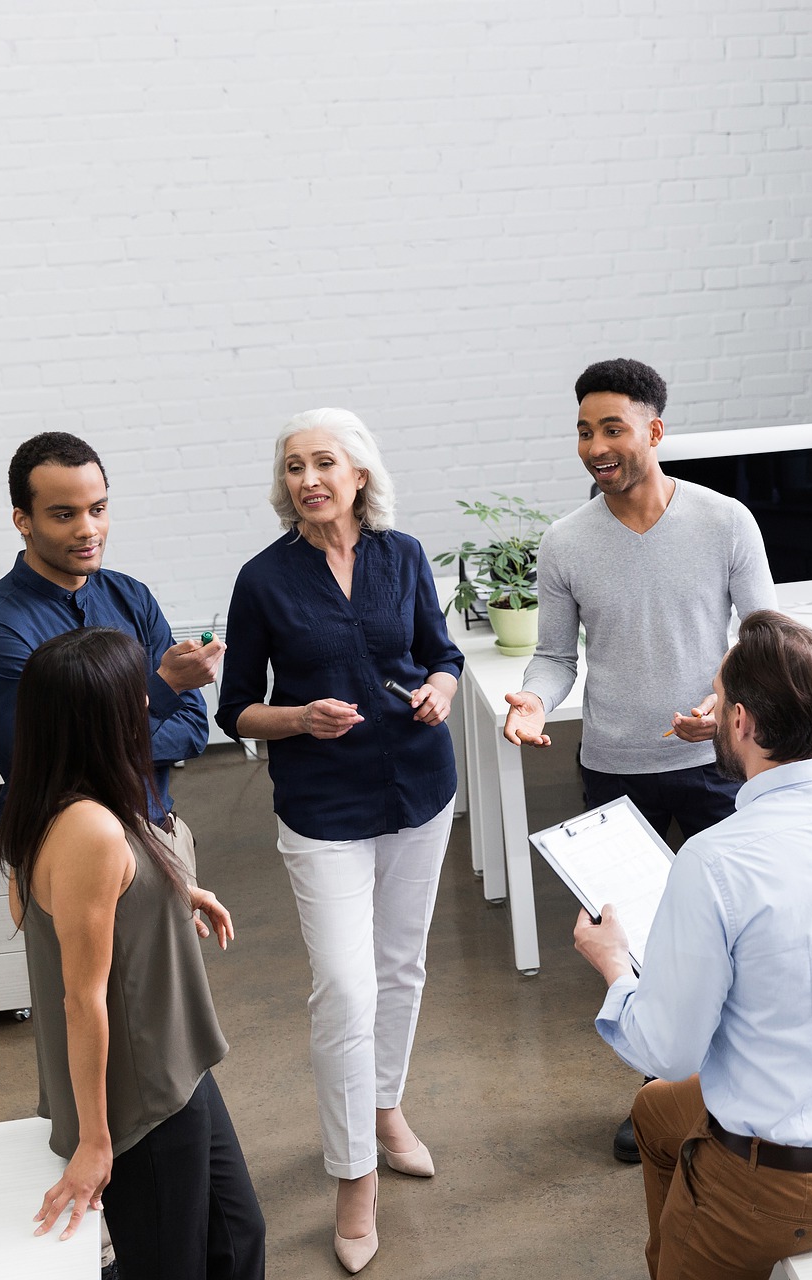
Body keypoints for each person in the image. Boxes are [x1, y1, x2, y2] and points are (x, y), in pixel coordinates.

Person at [573, 609, 812, 1280]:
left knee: (664, 1084)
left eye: (720, 696)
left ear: (739, 723)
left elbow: (669, 1050)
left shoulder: (713, 861)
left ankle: (697, 1243)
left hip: (777, 1186)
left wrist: (615, 965)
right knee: (653, 1113)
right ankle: (677, 1239)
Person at [501, 358, 775, 1161]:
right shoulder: (565, 542)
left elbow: (763, 635)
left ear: (655, 430)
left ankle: (739, 1088)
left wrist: (721, 705)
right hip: (615, 768)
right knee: (641, 941)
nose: (595, 446)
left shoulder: (725, 522)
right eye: (584, 430)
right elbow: (554, 657)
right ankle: (659, 1094)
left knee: (734, 931)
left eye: (612, 428)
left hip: (718, 765)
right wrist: (531, 699)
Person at [216, 408, 462, 1274]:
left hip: (421, 791)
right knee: (347, 990)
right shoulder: (264, 580)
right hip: (322, 808)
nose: (308, 479)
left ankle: (384, 1108)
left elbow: (444, 653)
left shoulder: (402, 555)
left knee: (401, 967)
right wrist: (298, 719)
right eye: (293, 467)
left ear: (360, 473)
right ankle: (353, 1176)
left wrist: (439, 686)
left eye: (325, 462)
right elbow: (233, 706)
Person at [0, 627, 263, 1279]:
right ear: (99, 720)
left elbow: (108, 892)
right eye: (132, 697)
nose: (146, 704)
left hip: (177, 1061)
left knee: (236, 1235)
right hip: (138, 1091)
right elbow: (81, 998)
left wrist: (177, 896)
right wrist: (92, 1142)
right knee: (172, 1265)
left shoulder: (64, 796)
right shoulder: (88, 828)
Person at [0, 432, 222, 827]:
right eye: (64, 515)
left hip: (159, 831)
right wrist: (164, 688)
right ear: (22, 521)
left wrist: (98, 742)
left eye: (97, 509)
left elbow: (194, 730)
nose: (88, 530)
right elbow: (55, 770)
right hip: (64, 852)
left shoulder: (131, 596)